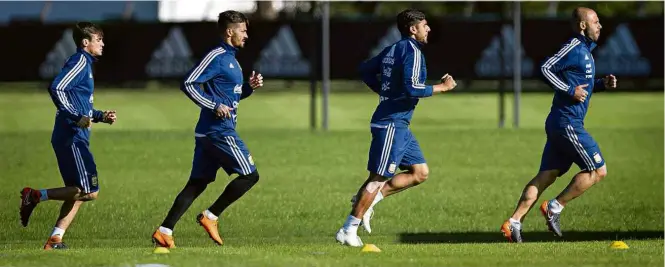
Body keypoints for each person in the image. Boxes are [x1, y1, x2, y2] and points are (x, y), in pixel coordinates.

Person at [335, 8, 458, 247]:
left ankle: (368, 202)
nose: (428, 29)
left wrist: (384, 91)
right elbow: (412, 88)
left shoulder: (393, 48)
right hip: (391, 123)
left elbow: (365, 70)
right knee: (378, 178)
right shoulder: (412, 51)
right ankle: (348, 229)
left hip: (399, 123)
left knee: (420, 172)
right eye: (424, 25)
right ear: (413, 29)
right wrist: (441, 87)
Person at [501, 7, 618, 243]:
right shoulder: (575, 46)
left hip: (561, 122)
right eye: (595, 21)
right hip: (567, 123)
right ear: (583, 25)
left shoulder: (586, 51)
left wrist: (601, 84)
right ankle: (555, 207)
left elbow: (580, 85)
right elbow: (544, 68)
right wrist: (567, 90)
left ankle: (512, 223)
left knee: (546, 175)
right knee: (598, 170)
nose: (600, 26)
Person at [152, 10, 264, 248]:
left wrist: (249, 88)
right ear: (229, 31)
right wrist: (213, 105)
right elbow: (188, 83)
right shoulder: (217, 55)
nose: (246, 35)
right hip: (218, 131)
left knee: (198, 182)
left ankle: (165, 230)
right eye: (243, 30)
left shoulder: (232, 58)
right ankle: (211, 216)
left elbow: (230, 95)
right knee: (250, 175)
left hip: (210, 132)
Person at [20, 22, 117, 250]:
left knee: (77, 190)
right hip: (71, 136)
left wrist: (102, 116)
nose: (103, 43)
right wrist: (75, 117)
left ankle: (55, 239)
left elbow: (82, 105)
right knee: (89, 192)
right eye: (99, 39)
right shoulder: (80, 61)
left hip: (73, 135)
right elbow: (57, 88)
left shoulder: (86, 65)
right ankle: (35, 196)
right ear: (86, 43)